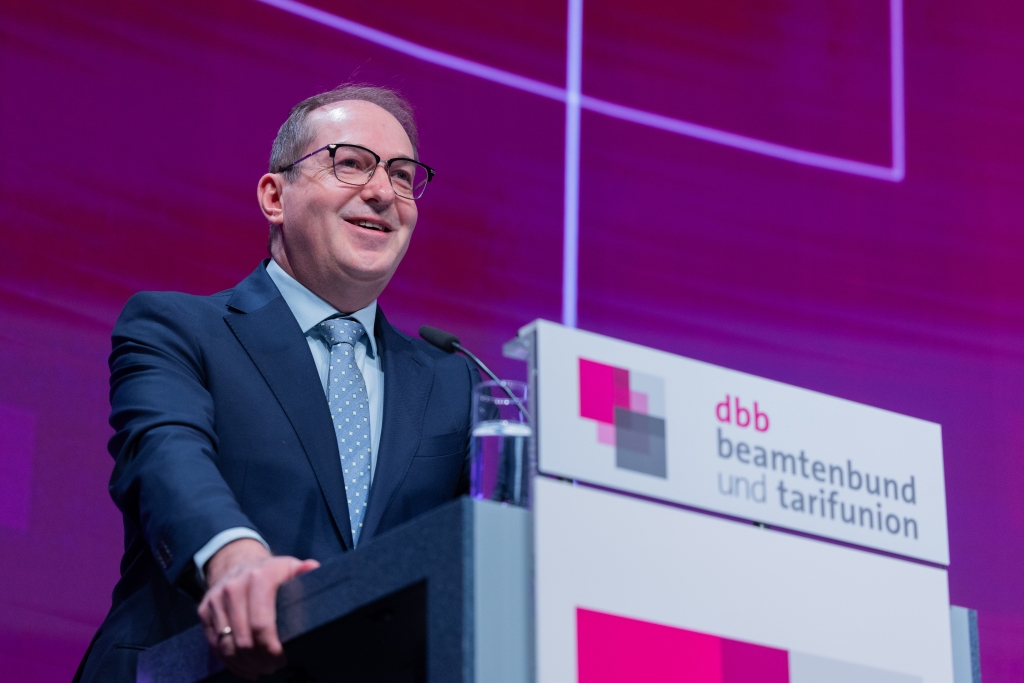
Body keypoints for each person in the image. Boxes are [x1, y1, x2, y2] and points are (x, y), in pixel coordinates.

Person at [74, 84, 478, 682]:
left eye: (401, 175)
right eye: (351, 163)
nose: (381, 191)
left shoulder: (455, 379)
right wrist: (234, 559)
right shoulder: (177, 328)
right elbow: (165, 457)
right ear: (274, 196)